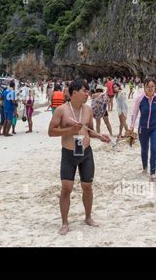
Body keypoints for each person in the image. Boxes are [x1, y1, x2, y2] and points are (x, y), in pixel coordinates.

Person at [48, 78, 110, 235]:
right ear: (74, 93)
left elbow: (88, 131)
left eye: (88, 90)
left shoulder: (87, 109)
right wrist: (70, 130)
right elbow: (51, 132)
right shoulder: (62, 110)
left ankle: (88, 217)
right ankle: (64, 222)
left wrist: (100, 136)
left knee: (87, 187)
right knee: (66, 188)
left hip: (85, 152)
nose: (87, 93)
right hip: (69, 153)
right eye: (84, 91)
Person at [130, 78, 156, 181]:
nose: (150, 89)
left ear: (155, 87)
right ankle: (145, 167)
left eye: (152, 87)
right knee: (144, 149)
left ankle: (153, 172)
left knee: (154, 149)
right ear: (144, 87)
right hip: (143, 128)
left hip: (155, 128)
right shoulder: (139, 98)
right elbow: (134, 113)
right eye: (148, 87)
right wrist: (131, 127)